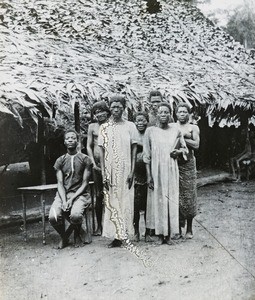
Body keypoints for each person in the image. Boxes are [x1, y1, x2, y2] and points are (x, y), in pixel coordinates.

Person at [143, 103, 188, 245]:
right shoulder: (150, 131)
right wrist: (149, 176)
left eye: (166, 112)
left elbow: (185, 150)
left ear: (170, 114)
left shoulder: (175, 131)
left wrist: (178, 152)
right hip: (156, 172)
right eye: (161, 112)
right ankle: (159, 234)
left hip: (171, 170)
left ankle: (169, 235)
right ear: (157, 114)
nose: (163, 114)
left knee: (170, 199)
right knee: (158, 200)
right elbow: (146, 155)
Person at [98, 95, 138, 248]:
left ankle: (125, 234)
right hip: (110, 168)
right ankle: (115, 236)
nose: (116, 110)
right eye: (113, 107)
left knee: (126, 199)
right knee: (113, 201)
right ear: (110, 108)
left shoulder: (130, 126)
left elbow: (134, 149)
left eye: (119, 107)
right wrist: (103, 173)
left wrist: (132, 170)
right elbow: (101, 152)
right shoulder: (104, 127)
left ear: (123, 108)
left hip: (126, 167)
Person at [49, 129, 92, 249]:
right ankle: (65, 236)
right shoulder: (60, 160)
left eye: (73, 138)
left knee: (76, 215)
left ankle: (76, 234)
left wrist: (72, 199)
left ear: (77, 141)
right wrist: (63, 200)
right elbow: (60, 183)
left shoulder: (85, 159)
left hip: (80, 194)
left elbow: (85, 183)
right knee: (53, 217)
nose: (70, 140)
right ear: (64, 142)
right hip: (63, 194)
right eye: (68, 138)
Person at [176, 103, 200, 239]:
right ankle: (179, 228)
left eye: (185, 111)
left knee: (189, 195)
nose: (182, 114)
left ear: (188, 113)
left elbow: (196, 145)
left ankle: (189, 228)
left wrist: (182, 138)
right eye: (180, 112)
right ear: (176, 114)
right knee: (177, 196)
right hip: (175, 164)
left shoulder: (193, 127)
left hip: (189, 164)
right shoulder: (173, 127)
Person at [87, 101, 110, 236]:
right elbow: (89, 145)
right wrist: (92, 162)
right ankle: (99, 227)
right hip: (96, 165)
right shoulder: (92, 127)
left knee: (111, 193)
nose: (99, 114)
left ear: (107, 112)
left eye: (102, 111)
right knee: (98, 195)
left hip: (111, 163)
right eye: (96, 112)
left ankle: (110, 225)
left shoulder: (112, 125)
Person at [133, 111, 149, 242]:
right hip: (136, 174)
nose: (140, 123)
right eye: (137, 120)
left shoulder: (149, 134)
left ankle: (148, 232)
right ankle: (136, 231)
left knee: (148, 204)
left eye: (143, 120)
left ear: (147, 121)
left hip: (148, 172)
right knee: (136, 205)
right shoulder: (133, 135)